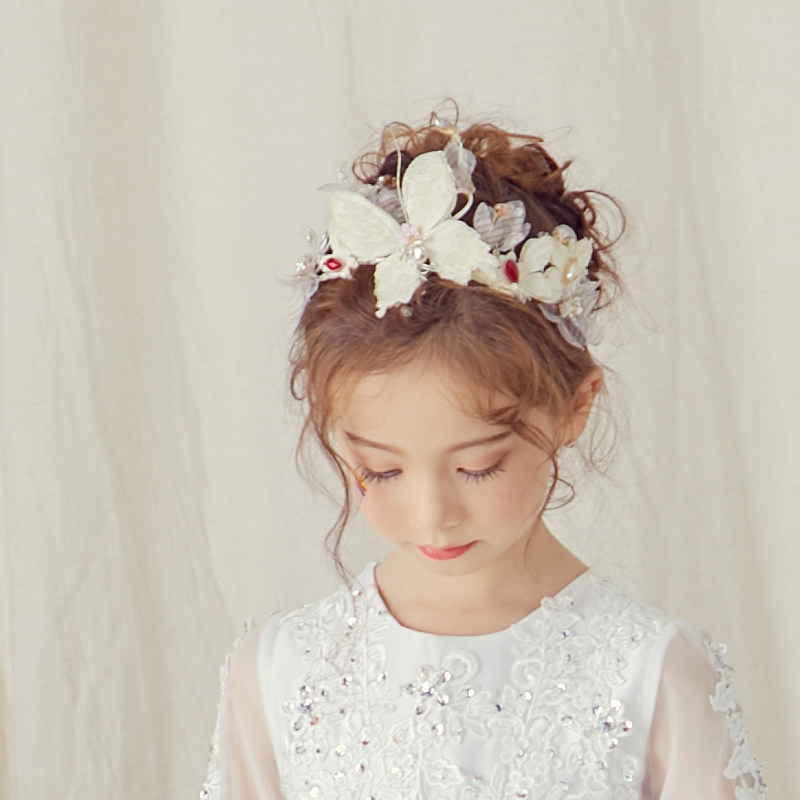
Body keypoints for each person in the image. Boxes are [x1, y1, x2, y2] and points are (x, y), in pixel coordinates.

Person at [200, 109, 766, 799]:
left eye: (477, 467)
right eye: (381, 470)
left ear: (575, 407)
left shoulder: (651, 674)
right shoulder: (279, 672)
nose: (432, 515)